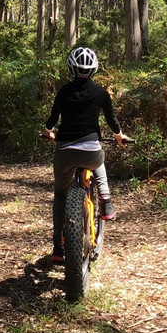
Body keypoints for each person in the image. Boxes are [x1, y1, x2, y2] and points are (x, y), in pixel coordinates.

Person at [41, 46, 126, 265]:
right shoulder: (100, 93)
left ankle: (58, 247)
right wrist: (118, 136)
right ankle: (105, 200)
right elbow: (112, 121)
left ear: (71, 68)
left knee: (60, 195)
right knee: (99, 157)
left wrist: (48, 133)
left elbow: (51, 121)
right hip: (90, 151)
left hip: (64, 152)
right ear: (94, 69)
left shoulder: (63, 91)